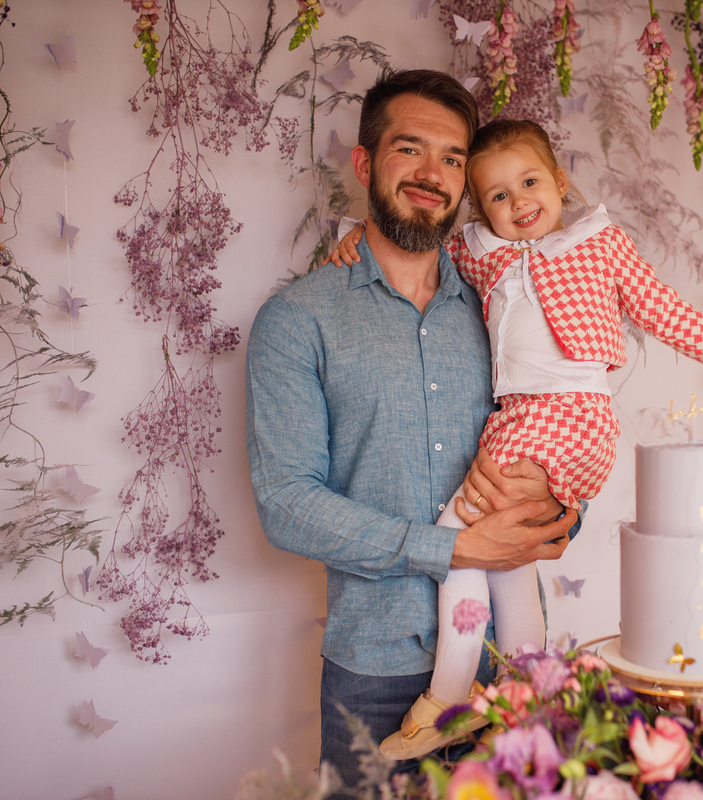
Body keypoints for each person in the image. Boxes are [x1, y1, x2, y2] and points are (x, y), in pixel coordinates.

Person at [327, 118, 703, 760]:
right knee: (506, 560)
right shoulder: (480, 251)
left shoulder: (598, 243)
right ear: (479, 207)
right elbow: (414, 249)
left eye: (529, 182)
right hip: (523, 420)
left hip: (569, 413)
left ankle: (449, 701)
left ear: (559, 181)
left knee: (455, 545)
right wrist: (355, 237)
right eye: (495, 195)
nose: (517, 203)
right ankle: (528, 701)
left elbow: (664, 311)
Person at [245, 72, 580, 786]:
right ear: (366, 164)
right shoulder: (298, 320)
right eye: (410, 149)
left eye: (454, 158)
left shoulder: (505, 304)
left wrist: (563, 509)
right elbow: (286, 501)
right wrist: (453, 547)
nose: (433, 174)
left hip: (510, 667)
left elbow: (564, 416)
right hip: (376, 673)